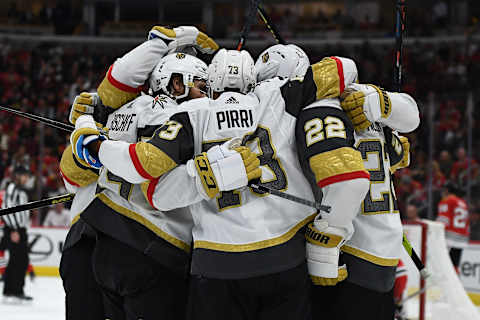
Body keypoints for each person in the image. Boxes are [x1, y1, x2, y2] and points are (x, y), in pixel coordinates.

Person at [75, 47, 368, 320]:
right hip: (286, 259)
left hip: (215, 264)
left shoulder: (191, 113)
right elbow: (343, 67)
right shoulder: (279, 96)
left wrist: (92, 142)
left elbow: (150, 180)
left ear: (211, 83)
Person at [59, 25, 219, 320]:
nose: (208, 93)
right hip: (151, 247)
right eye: (201, 84)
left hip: (92, 233)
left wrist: (85, 130)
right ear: (176, 84)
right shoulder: (193, 115)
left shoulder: (121, 111)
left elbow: (71, 178)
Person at [310, 82, 419, 320]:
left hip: (352, 248)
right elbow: (411, 115)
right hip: (385, 246)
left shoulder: (324, 113)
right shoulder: (374, 115)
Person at [0, 164, 32, 303]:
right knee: (19, 261)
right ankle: (15, 291)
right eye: (25, 175)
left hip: (18, 229)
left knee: (18, 260)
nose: (27, 178)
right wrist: (14, 229)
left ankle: (12, 291)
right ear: (18, 176)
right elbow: (5, 208)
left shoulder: (18, 189)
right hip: (15, 230)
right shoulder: (13, 189)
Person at [436, 181, 470, 273]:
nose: (442, 192)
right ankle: (455, 284)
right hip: (462, 239)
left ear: (447, 190)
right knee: (454, 264)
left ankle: (446, 285)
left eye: (443, 190)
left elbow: (443, 220)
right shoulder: (462, 202)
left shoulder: (447, 200)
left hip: (450, 238)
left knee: (444, 264)